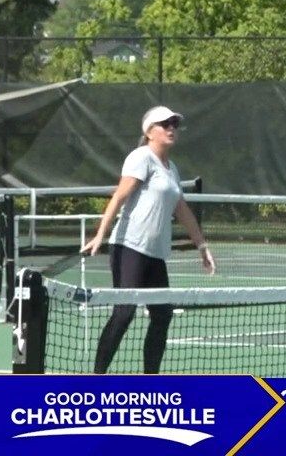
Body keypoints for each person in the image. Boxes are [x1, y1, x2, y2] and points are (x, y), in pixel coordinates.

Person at [82, 105, 215, 374]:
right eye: (165, 124)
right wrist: (100, 235)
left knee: (162, 314)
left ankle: (150, 379)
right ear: (150, 131)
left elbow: (183, 210)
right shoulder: (141, 157)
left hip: (155, 253)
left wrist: (202, 246)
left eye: (174, 124)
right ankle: (96, 379)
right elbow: (119, 196)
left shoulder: (171, 168)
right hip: (129, 246)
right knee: (125, 313)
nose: (171, 129)